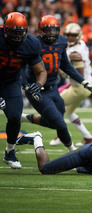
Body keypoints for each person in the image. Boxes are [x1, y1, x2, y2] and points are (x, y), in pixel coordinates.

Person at [21, 15, 92, 152]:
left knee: (54, 122)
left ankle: (23, 118)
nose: (52, 34)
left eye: (54, 30)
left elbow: (67, 66)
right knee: (60, 124)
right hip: (37, 90)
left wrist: (84, 82)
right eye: (48, 30)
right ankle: (73, 151)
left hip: (53, 88)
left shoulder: (61, 41)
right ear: (41, 30)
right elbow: (20, 66)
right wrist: (26, 85)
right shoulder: (33, 43)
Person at [0, 12, 47, 169]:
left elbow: (41, 72)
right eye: (14, 33)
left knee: (14, 117)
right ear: (5, 31)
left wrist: (38, 85)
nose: (18, 37)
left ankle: (9, 151)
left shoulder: (31, 44)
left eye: (21, 33)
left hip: (10, 83)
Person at [49, 23, 92, 147]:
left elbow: (78, 74)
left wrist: (63, 73)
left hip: (79, 87)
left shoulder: (74, 52)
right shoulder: (82, 45)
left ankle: (62, 134)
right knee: (69, 113)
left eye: (73, 35)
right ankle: (89, 138)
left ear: (78, 35)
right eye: (68, 35)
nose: (70, 37)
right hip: (86, 85)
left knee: (53, 104)